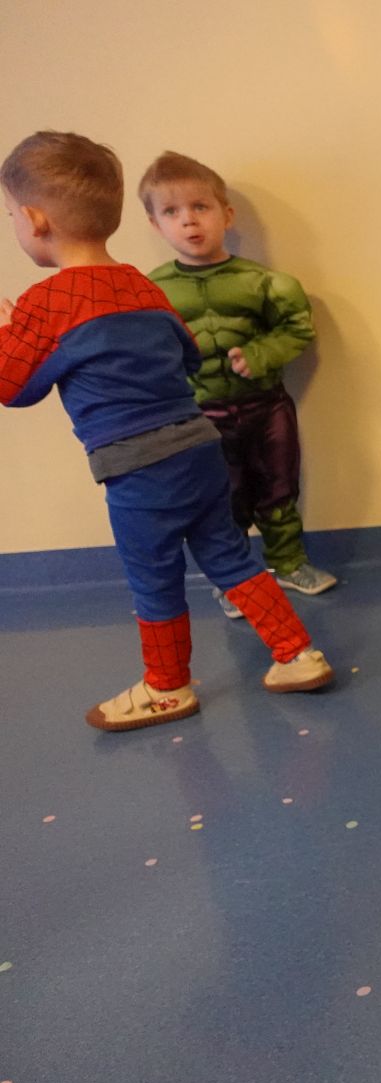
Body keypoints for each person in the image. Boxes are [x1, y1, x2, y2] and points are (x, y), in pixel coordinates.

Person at [0, 131, 334, 731]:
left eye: (9, 217)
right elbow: (187, 358)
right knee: (230, 556)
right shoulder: (142, 284)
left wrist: (9, 334)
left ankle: (167, 687)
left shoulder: (46, 304)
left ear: (34, 220)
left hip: (137, 468)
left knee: (153, 579)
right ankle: (297, 655)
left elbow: (12, 387)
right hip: (199, 445)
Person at [138, 151, 337, 614]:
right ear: (155, 224)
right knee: (222, 501)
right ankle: (236, 582)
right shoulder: (150, 292)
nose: (189, 221)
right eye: (171, 211)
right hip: (200, 417)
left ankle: (289, 564)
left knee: (279, 488)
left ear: (226, 215)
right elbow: (142, 350)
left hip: (266, 406)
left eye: (200, 207)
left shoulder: (264, 283)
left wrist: (261, 353)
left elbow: (298, 328)